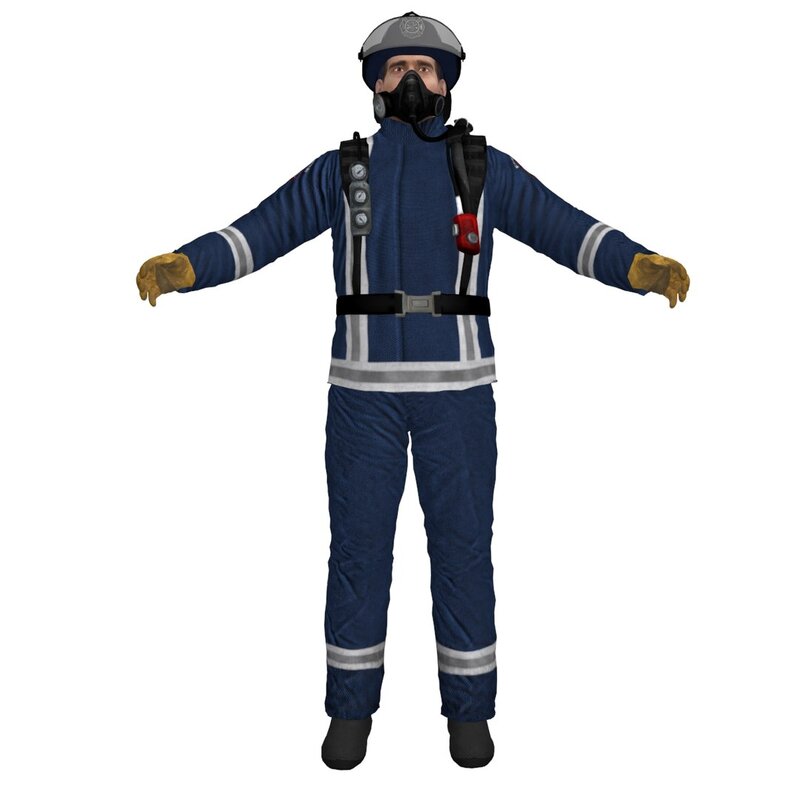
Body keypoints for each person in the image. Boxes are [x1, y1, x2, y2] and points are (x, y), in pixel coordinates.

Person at [136, 11, 690, 770]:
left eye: (425, 69)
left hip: (459, 397)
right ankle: (350, 713)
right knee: (357, 556)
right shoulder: (341, 171)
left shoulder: (485, 170)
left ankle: (470, 714)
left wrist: (638, 267)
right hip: (360, 398)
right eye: (397, 69)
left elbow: (567, 229)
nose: (411, 80)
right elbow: (260, 232)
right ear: (374, 84)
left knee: (463, 554)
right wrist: (187, 266)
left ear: (447, 84)